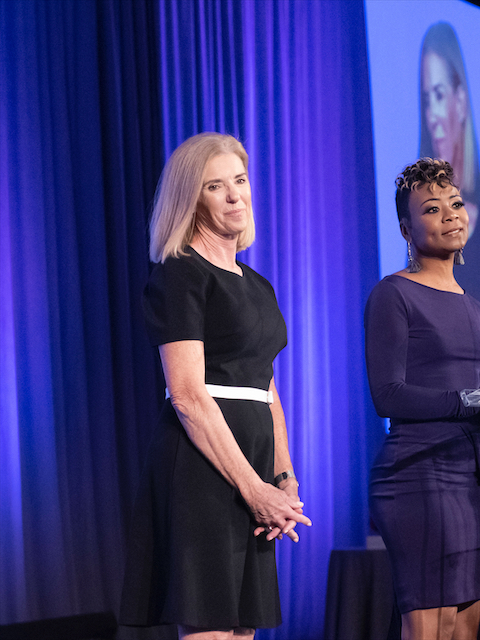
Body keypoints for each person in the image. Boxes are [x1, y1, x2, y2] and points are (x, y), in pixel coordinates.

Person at [119, 132, 311, 639]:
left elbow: (266, 388)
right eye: (215, 186)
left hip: (254, 472)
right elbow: (186, 395)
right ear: (191, 199)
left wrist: (283, 476)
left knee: (244, 629)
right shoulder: (181, 274)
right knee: (211, 627)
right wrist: (253, 488)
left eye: (241, 181)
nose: (235, 195)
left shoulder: (258, 282)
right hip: (202, 471)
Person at [366, 158, 480, 640]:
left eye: (455, 203)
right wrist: (473, 402)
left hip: (470, 476)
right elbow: (386, 395)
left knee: (465, 627)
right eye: (432, 209)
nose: (452, 214)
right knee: (432, 626)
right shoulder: (393, 294)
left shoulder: (472, 304)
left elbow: (471, 401)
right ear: (406, 229)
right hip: (417, 474)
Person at [419, 22, 480, 357]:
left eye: (440, 96)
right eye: (427, 100)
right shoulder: (421, 231)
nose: (433, 114)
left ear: (461, 100)